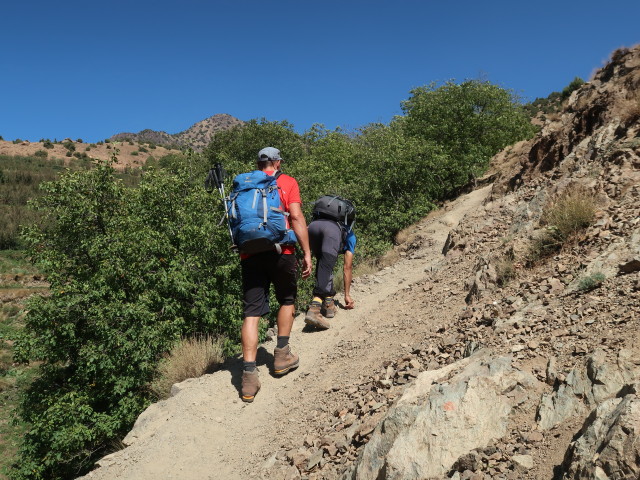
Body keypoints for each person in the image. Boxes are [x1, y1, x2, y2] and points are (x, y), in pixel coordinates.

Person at [239, 147, 312, 403]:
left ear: (258, 164)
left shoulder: (244, 184)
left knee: (251, 312)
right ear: (278, 162)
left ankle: (248, 377)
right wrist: (306, 252)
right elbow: (296, 216)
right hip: (283, 250)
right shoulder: (287, 181)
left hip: (250, 253)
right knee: (287, 299)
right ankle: (281, 355)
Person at [304, 209, 356, 330]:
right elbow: (347, 267)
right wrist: (347, 295)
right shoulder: (350, 235)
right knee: (326, 267)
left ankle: (328, 304)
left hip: (312, 227)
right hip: (329, 233)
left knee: (323, 266)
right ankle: (314, 309)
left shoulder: (325, 220)